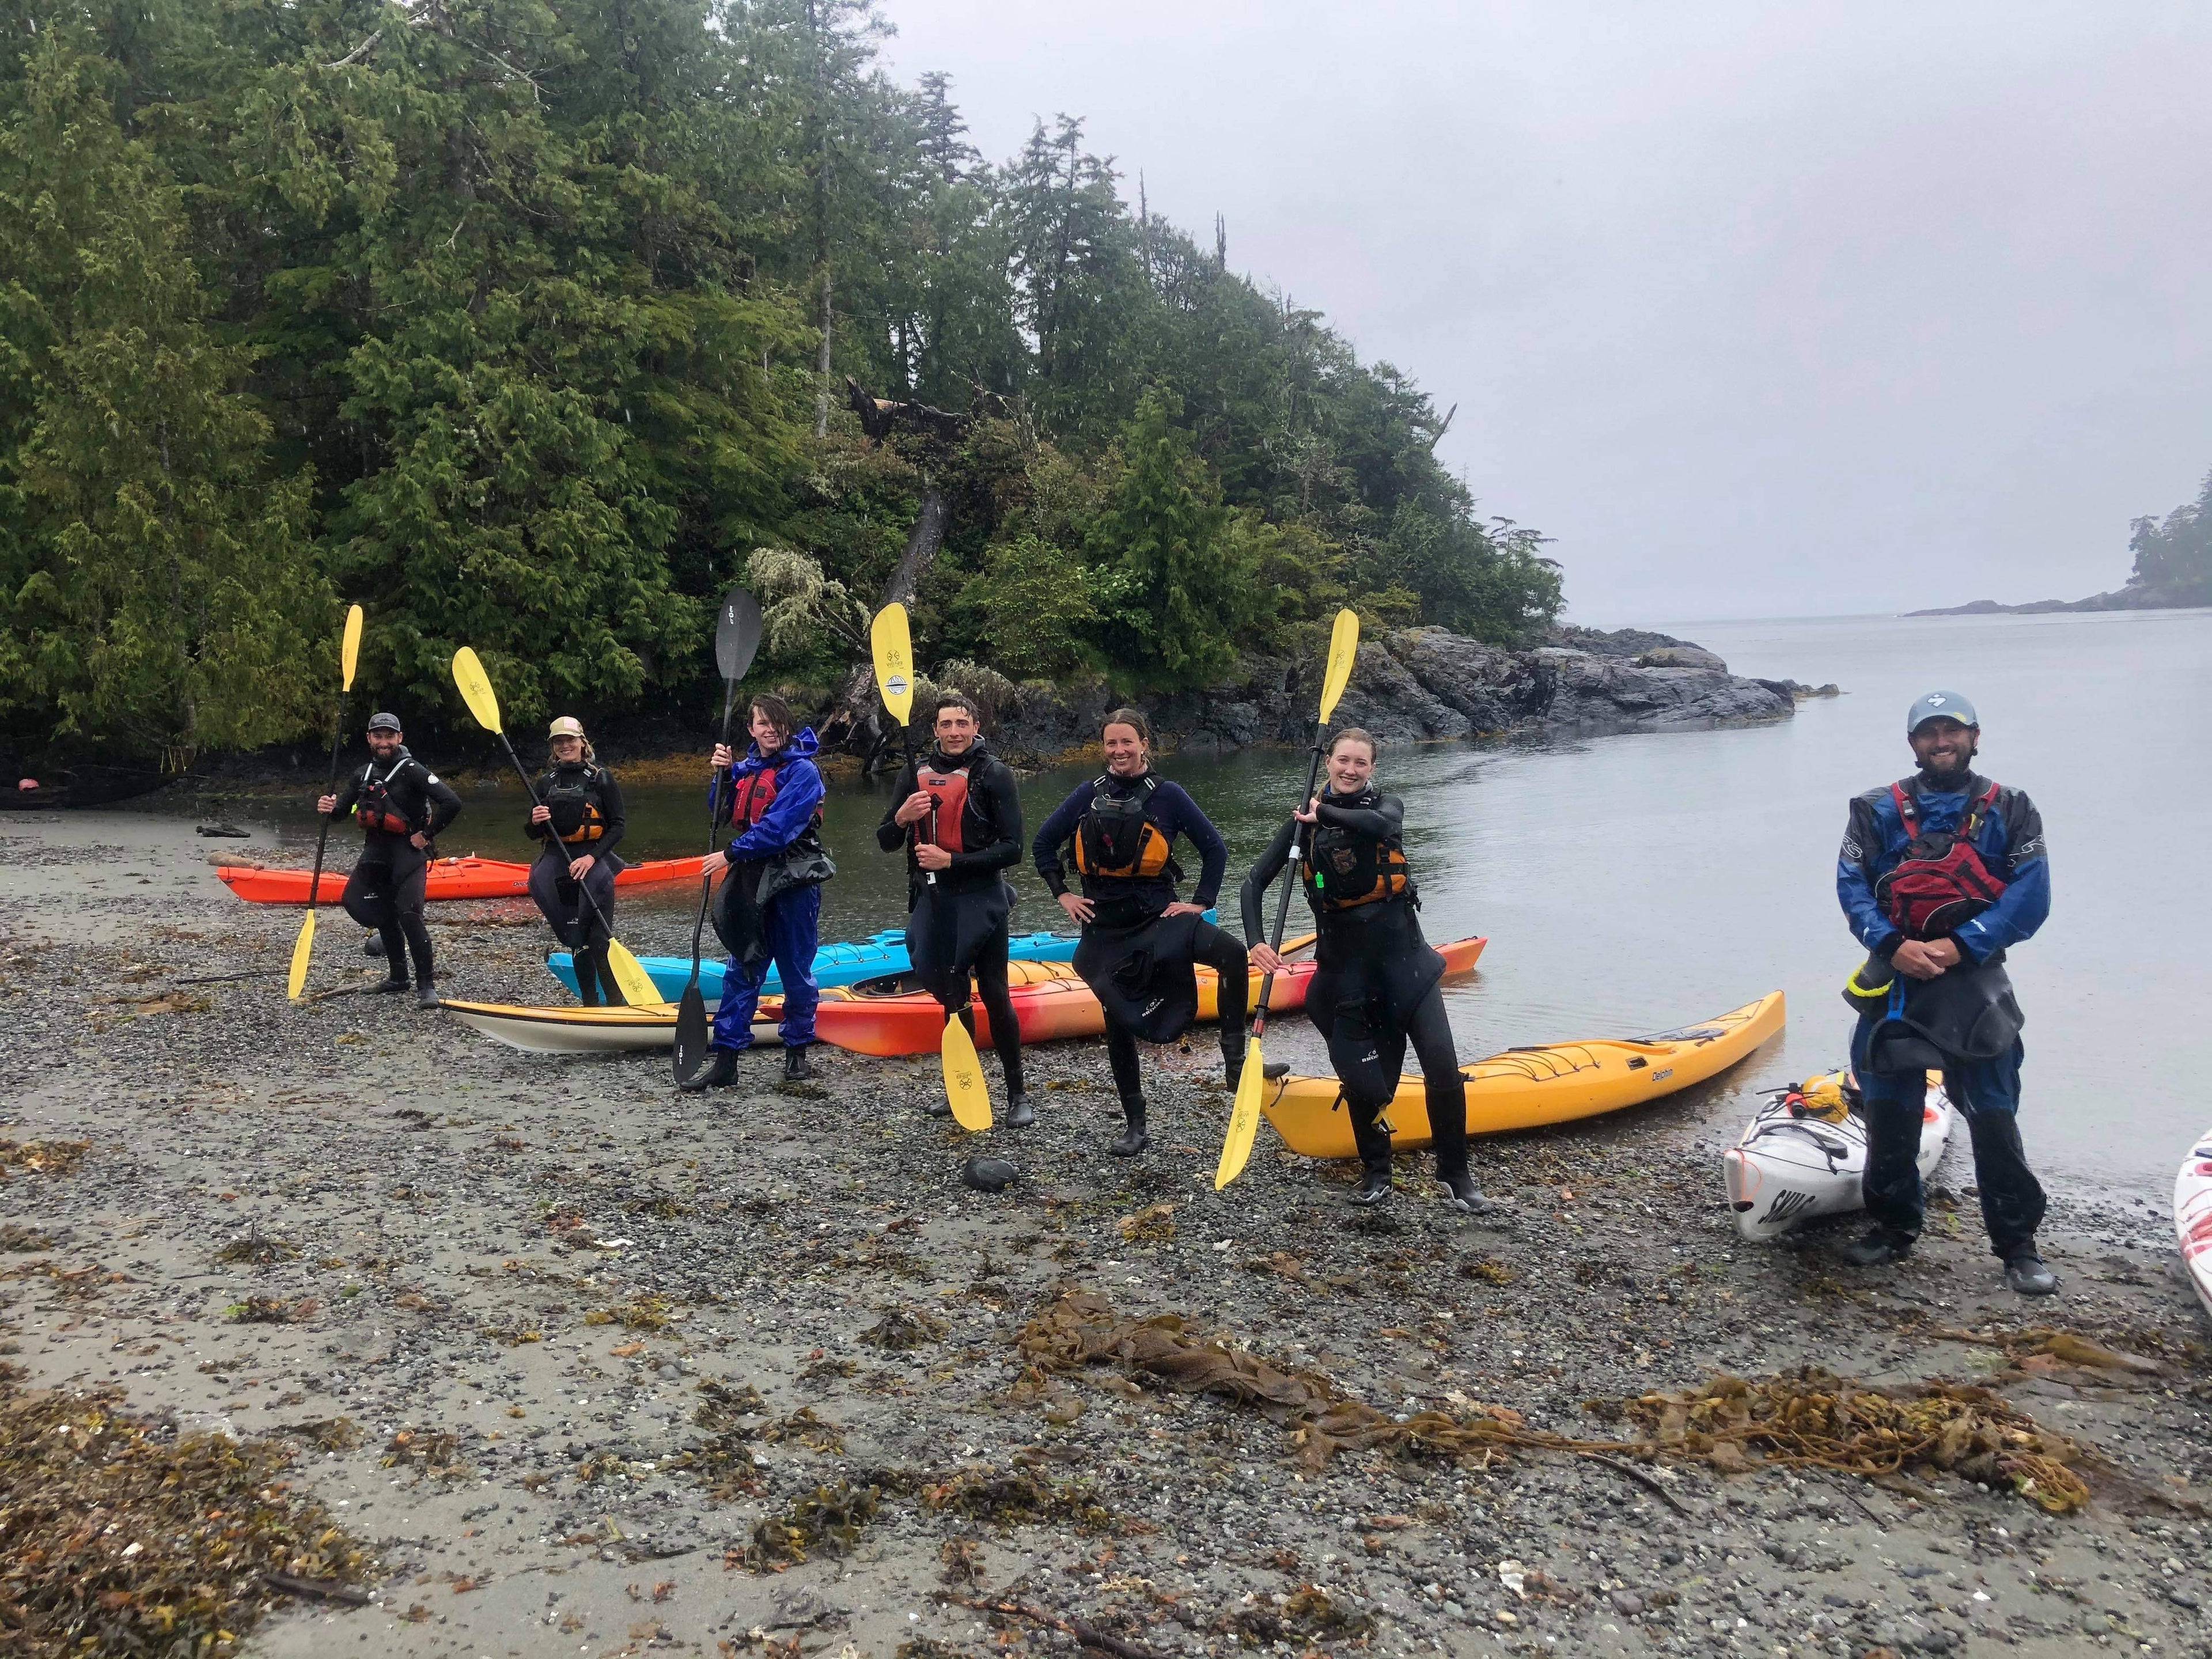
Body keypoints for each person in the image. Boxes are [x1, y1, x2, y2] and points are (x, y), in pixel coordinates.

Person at [1835, 691, 2056, 1295]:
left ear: (1975, 738)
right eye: (1929, 733)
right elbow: (1852, 887)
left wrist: (1963, 946)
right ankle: (1893, 1227)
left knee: (1993, 1116)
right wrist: (1890, 944)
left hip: (1973, 981)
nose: (1941, 742)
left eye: (1952, 732)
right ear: (1913, 744)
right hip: (1897, 978)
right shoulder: (1874, 809)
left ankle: (2017, 1246)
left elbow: (2030, 896)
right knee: (1888, 1113)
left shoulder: (2012, 808)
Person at [1241, 729, 1487, 1214]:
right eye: (1343, 761)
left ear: (1372, 768)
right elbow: (1252, 884)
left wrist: (1322, 810)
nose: (1351, 770)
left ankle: (1456, 1177)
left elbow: (1379, 829)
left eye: (1361, 763)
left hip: (1408, 969)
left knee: (1443, 1070)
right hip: (1347, 977)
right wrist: (1255, 943)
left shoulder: (1386, 807)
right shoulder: (1300, 829)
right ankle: (1377, 1173)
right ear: (1328, 762)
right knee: (1368, 1086)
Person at [1033, 709, 1271, 1156]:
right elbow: (1043, 844)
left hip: (1161, 920)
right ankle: (1135, 1124)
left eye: (1127, 742)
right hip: (1107, 932)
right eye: (1111, 744)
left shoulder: (1169, 795)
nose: (1119, 751)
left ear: (1145, 743)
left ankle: (1235, 1062)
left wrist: (1200, 902)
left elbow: (1215, 849)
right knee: (1118, 1022)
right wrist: (1063, 894)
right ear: (1103, 747)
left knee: (1233, 955)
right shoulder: (1087, 794)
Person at [876, 692, 1028, 1123]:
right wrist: (903, 817)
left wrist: (952, 861)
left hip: (983, 898)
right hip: (934, 898)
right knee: (951, 993)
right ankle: (960, 1083)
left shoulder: (994, 774)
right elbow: (887, 841)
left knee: (996, 993)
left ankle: (1017, 1095)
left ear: (975, 727)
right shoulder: (913, 773)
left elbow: (1014, 849)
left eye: (962, 723)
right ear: (935, 731)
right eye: (947, 725)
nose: (955, 732)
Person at [681, 695, 832, 1090]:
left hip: (794, 876)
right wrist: (723, 776)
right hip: (753, 876)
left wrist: (728, 854)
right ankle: (727, 1061)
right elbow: (720, 811)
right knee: (742, 964)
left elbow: (780, 828)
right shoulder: (745, 769)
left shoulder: (803, 772)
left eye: (776, 724)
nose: (769, 730)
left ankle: (797, 1055)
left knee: (795, 970)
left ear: (788, 727)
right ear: (751, 730)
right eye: (761, 724)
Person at [318, 712, 461, 1009]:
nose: (384, 742)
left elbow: (452, 802)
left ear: (400, 738)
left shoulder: (412, 770)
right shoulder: (363, 773)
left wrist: (426, 834)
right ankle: (398, 978)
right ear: (369, 739)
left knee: (409, 914)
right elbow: (341, 812)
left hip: (408, 853)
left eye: (389, 736)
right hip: (377, 853)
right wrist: (328, 808)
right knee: (362, 904)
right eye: (378, 736)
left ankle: (426, 985)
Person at [525, 717, 627, 1006]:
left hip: (595, 863)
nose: (565, 745)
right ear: (553, 748)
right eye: (559, 742)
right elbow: (532, 833)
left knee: (599, 938)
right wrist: (534, 821)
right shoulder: (545, 783)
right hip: (560, 865)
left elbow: (619, 826)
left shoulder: (600, 779)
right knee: (576, 939)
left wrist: (591, 858)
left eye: (570, 740)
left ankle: (617, 1003)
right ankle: (591, 1005)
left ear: (583, 743)